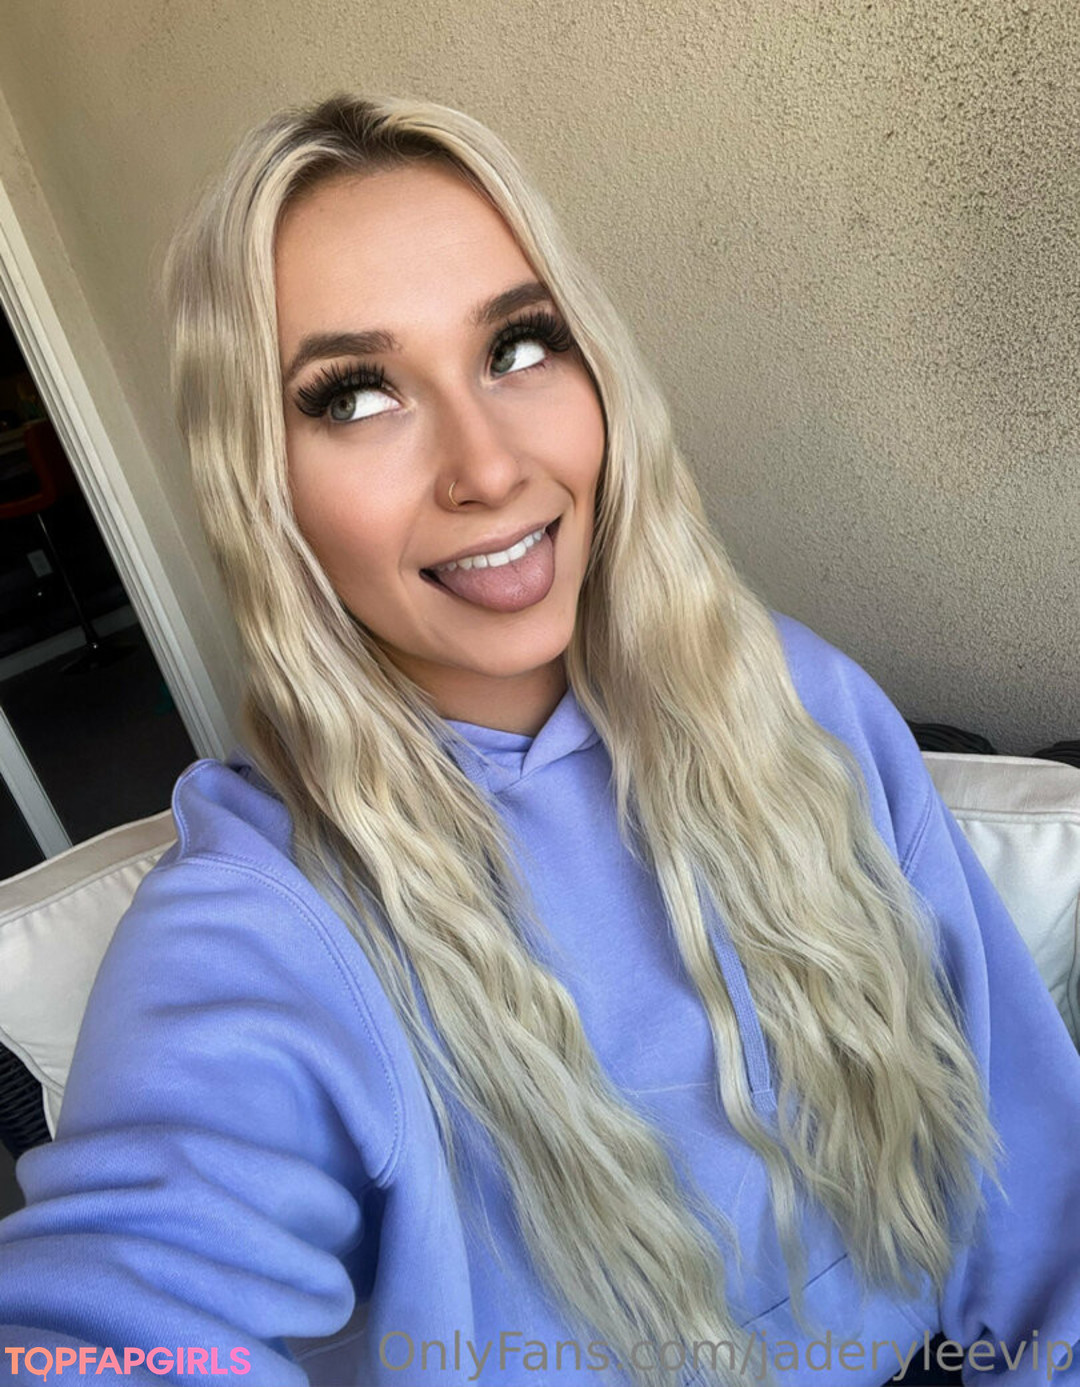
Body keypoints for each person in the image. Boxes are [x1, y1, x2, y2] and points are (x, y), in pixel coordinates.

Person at [0, 93, 1077, 1387]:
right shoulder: (265, 918)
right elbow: (122, 1302)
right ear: (258, 482)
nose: (489, 466)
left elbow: (1033, 1165)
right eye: (355, 395)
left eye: (518, 346)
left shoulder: (796, 695)